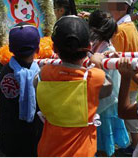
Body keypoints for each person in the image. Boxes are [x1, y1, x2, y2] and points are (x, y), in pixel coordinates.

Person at [36, 16, 112, 157]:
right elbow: (108, 89)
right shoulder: (94, 77)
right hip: (81, 153)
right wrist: (97, 63)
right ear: (89, 47)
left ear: (54, 48)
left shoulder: (44, 73)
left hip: (48, 150)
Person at [101, 0, 138, 155]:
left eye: (111, 5)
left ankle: (135, 147)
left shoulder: (119, 30)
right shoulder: (130, 25)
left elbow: (112, 55)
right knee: (131, 116)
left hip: (125, 79)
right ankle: (134, 145)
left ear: (123, 7)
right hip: (133, 76)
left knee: (129, 116)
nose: (107, 8)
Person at [0, 22, 43, 156]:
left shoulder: (5, 72)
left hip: (10, 136)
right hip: (34, 136)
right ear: (38, 49)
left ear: (10, 48)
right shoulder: (40, 75)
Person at [88, 10, 130, 156]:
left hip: (105, 102)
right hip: (100, 100)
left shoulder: (108, 50)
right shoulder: (94, 47)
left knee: (103, 142)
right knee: (98, 139)